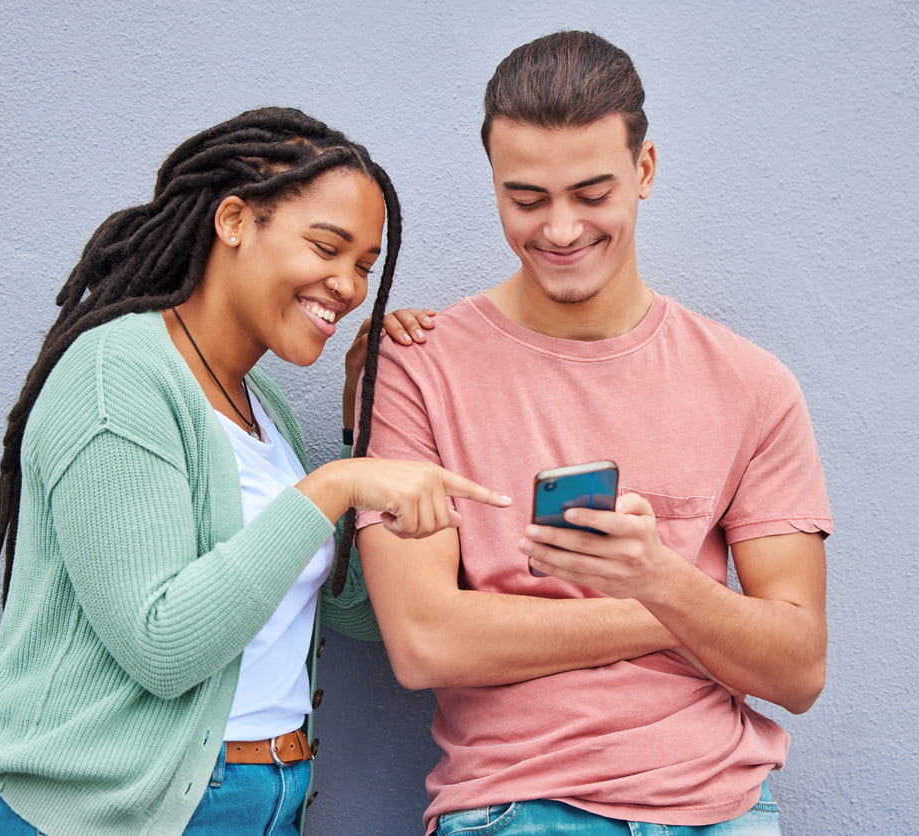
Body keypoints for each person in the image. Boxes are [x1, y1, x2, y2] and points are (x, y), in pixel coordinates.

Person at [0, 106, 509, 836]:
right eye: (327, 247)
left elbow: (349, 613)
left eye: (365, 266)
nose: (348, 285)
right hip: (101, 817)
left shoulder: (262, 406)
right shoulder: (117, 374)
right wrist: (335, 485)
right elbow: (162, 646)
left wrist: (361, 426)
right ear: (235, 220)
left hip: (263, 800)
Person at [354, 32, 832, 835]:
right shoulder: (417, 365)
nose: (562, 230)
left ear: (643, 172)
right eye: (528, 199)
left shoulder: (751, 384)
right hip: (515, 808)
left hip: (723, 809)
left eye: (590, 192)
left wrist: (658, 578)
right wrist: (679, 610)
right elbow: (425, 640)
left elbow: (799, 667)